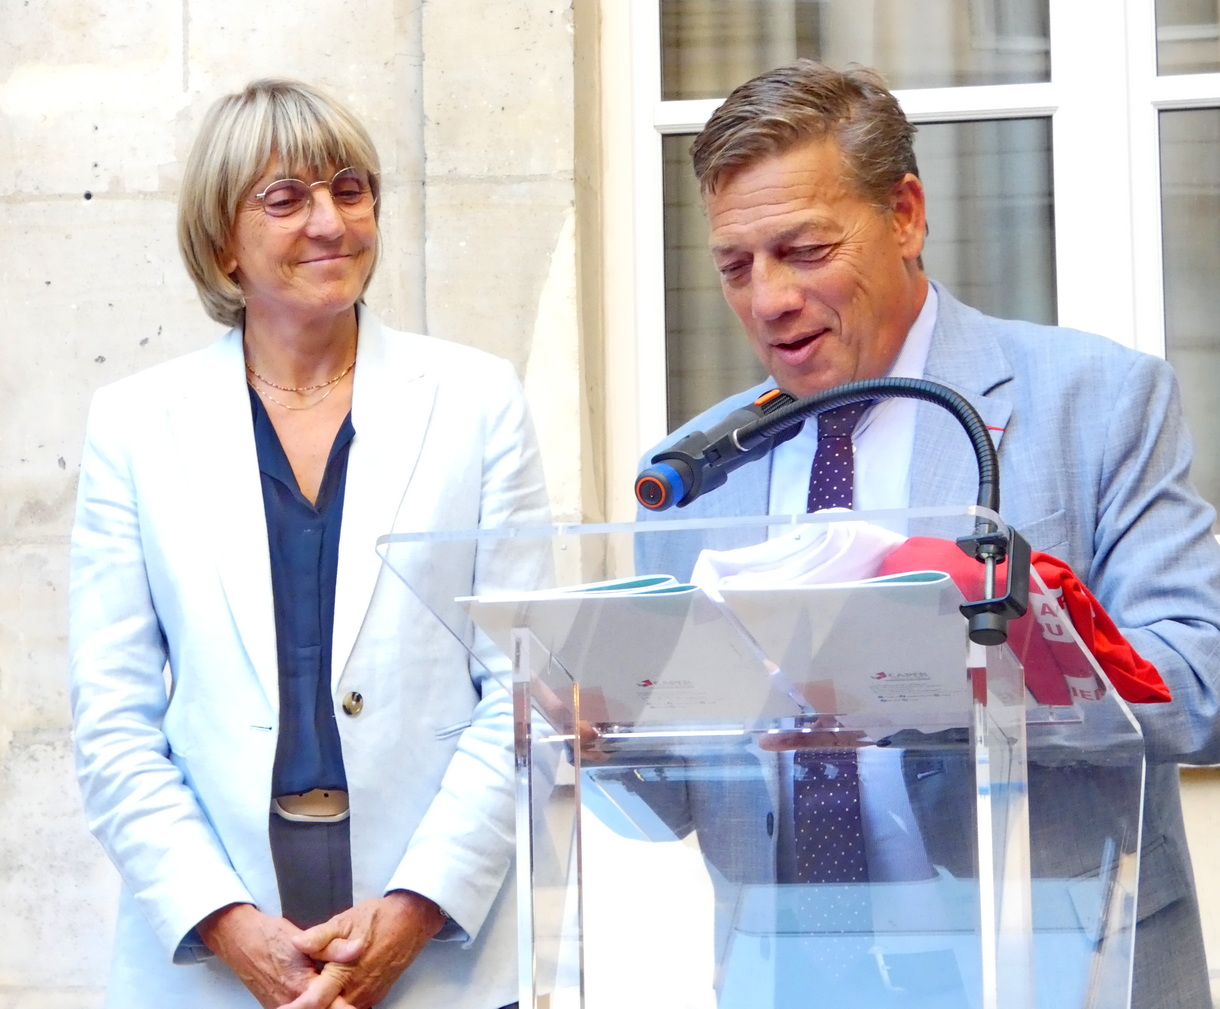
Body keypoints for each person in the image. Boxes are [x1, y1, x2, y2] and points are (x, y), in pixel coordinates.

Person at [637, 59, 1220, 1009]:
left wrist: (994, 667)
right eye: (735, 265)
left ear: (905, 214)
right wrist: (594, 722)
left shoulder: (1098, 400)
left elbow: (1198, 680)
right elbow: (666, 796)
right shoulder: (688, 476)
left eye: (804, 249)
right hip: (793, 976)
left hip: (1053, 963)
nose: (768, 299)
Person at [68, 79, 548, 1009]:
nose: (330, 221)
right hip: (218, 955)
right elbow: (113, 719)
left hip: (441, 951)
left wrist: (416, 905)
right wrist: (228, 924)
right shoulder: (135, 426)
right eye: (285, 200)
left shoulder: (478, 401)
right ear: (221, 244)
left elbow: (522, 690)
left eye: (350, 189)